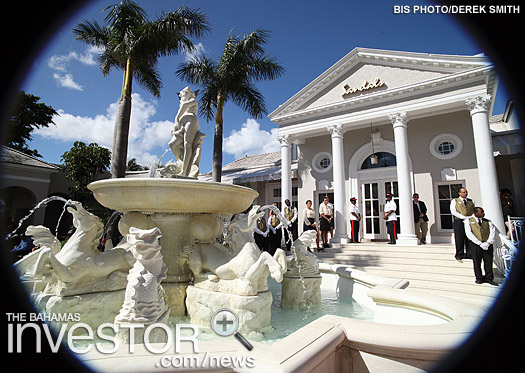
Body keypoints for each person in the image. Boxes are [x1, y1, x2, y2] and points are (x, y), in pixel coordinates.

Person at [463, 207, 498, 286]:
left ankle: (489, 278)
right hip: (476, 245)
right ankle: (479, 278)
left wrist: (488, 242)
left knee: (488, 261)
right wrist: (479, 243)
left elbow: (492, 232)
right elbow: (469, 233)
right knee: (477, 262)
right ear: (476, 213)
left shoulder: (488, 222)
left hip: (487, 244)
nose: (483, 213)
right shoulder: (468, 221)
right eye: (481, 212)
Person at [450, 187, 476, 261]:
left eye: (466, 192)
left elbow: (475, 209)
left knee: (470, 237)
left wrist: (470, 217)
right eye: (464, 192)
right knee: (459, 238)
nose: (465, 193)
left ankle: (470, 254)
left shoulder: (471, 201)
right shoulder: (455, 201)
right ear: (459, 193)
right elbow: (453, 211)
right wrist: (463, 217)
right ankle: (459, 254)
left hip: (469, 221)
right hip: (459, 221)